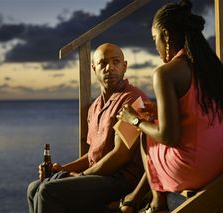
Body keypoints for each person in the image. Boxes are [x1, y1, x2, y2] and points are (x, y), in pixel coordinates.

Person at [117, 0, 223, 212]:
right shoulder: (215, 69)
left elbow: (169, 137)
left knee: (147, 134)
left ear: (165, 35)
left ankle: (158, 203)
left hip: (198, 168)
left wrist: (134, 120)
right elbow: (203, 110)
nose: (156, 47)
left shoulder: (166, 73)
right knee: (152, 124)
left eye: (155, 39)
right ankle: (142, 200)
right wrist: (160, 112)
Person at [27, 43, 149, 213]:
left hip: (120, 181)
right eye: (103, 63)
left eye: (116, 62)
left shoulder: (132, 99)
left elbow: (121, 155)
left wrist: (82, 176)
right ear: (94, 68)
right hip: (99, 177)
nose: (110, 68)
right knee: (34, 188)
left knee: (49, 192)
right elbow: (93, 154)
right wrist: (63, 169)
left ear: (124, 66)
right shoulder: (95, 106)